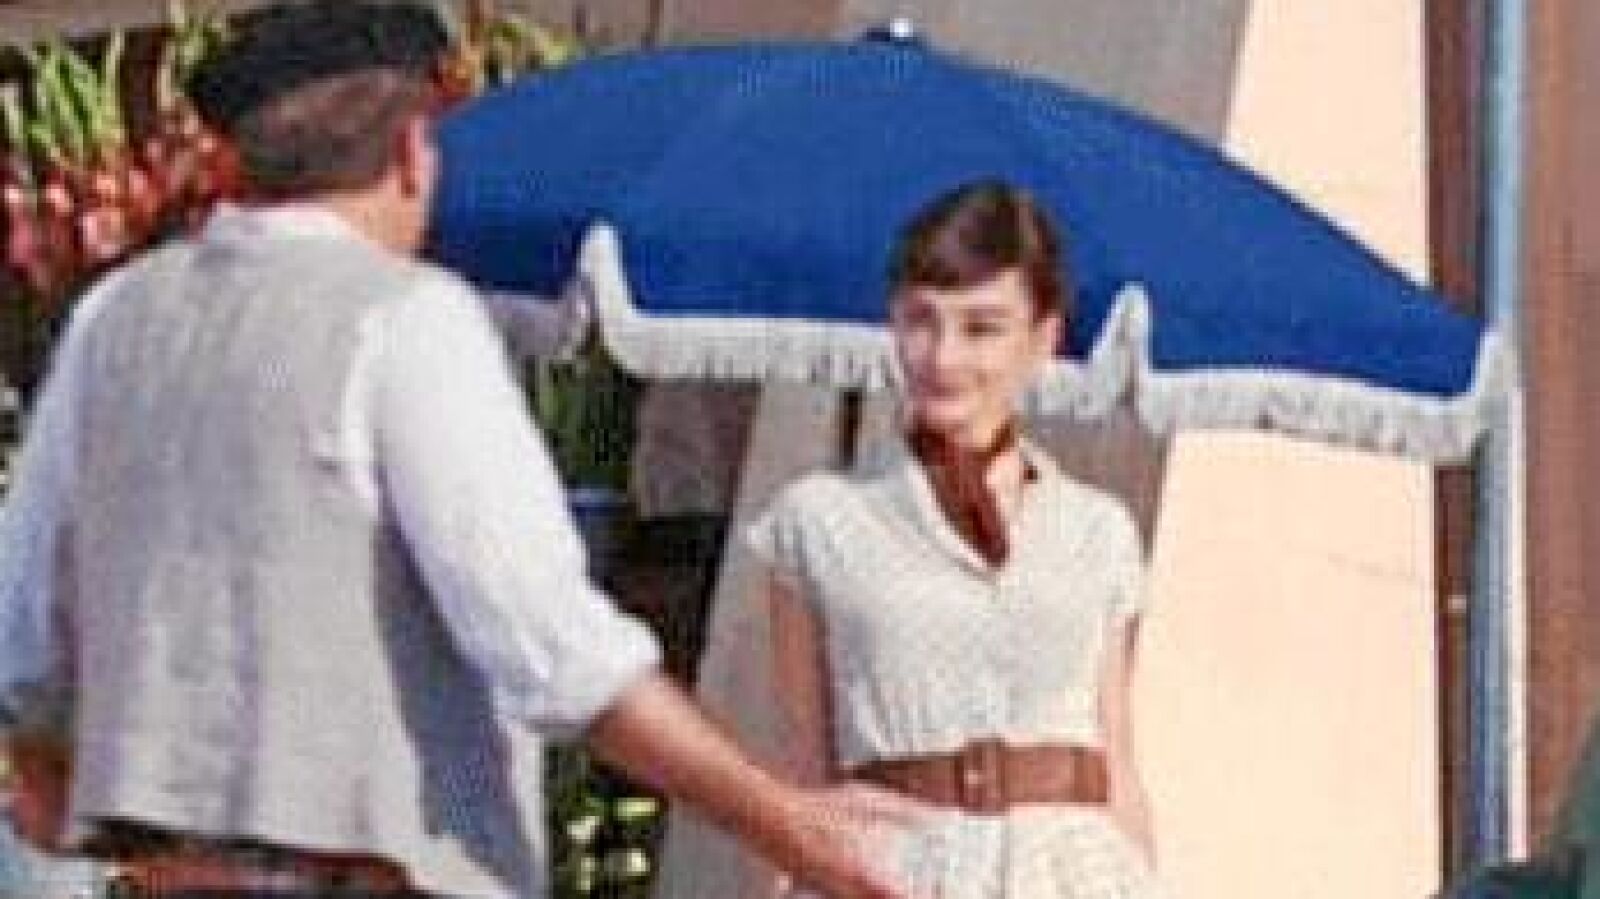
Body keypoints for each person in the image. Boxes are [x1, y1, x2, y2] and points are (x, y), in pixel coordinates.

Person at [0, 3, 922, 896]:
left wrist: (74, 776)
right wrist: (792, 823)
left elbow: (24, 635)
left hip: (179, 876)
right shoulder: (403, 319)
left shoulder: (115, 319)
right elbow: (547, 642)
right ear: (412, 151)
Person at [655, 181, 1166, 897]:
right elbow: (805, 770)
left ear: (1042, 339)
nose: (943, 356)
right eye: (921, 321)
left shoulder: (1097, 531)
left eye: (982, 328)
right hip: (897, 868)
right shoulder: (819, 521)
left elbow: (1118, 761)